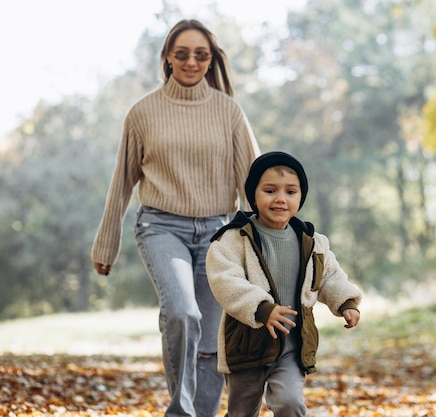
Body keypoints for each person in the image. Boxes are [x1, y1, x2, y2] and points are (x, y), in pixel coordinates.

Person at [91, 19, 260, 417]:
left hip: (219, 233)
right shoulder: (143, 112)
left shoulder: (229, 112)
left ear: (210, 59)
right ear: (168, 57)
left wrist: (263, 246)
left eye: (201, 55)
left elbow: (253, 182)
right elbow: (122, 182)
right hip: (161, 227)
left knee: (212, 339)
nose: (191, 62)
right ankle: (180, 412)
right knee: (183, 313)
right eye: (181, 53)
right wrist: (106, 242)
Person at [206, 151, 362, 417]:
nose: (280, 198)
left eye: (291, 191)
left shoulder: (311, 241)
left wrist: (345, 301)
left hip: (291, 347)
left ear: (300, 197)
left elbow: (329, 276)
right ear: (253, 195)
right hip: (247, 345)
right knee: (242, 411)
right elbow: (225, 280)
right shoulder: (235, 238)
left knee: (290, 404)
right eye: (269, 190)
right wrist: (262, 308)